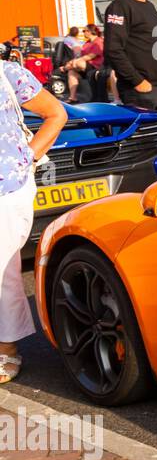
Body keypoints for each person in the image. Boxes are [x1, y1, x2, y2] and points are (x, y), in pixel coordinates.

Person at [0, 57, 67, 383]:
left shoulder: (7, 73)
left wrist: (28, 157)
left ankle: (7, 348)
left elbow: (56, 114)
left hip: (7, 187)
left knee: (4, 271)